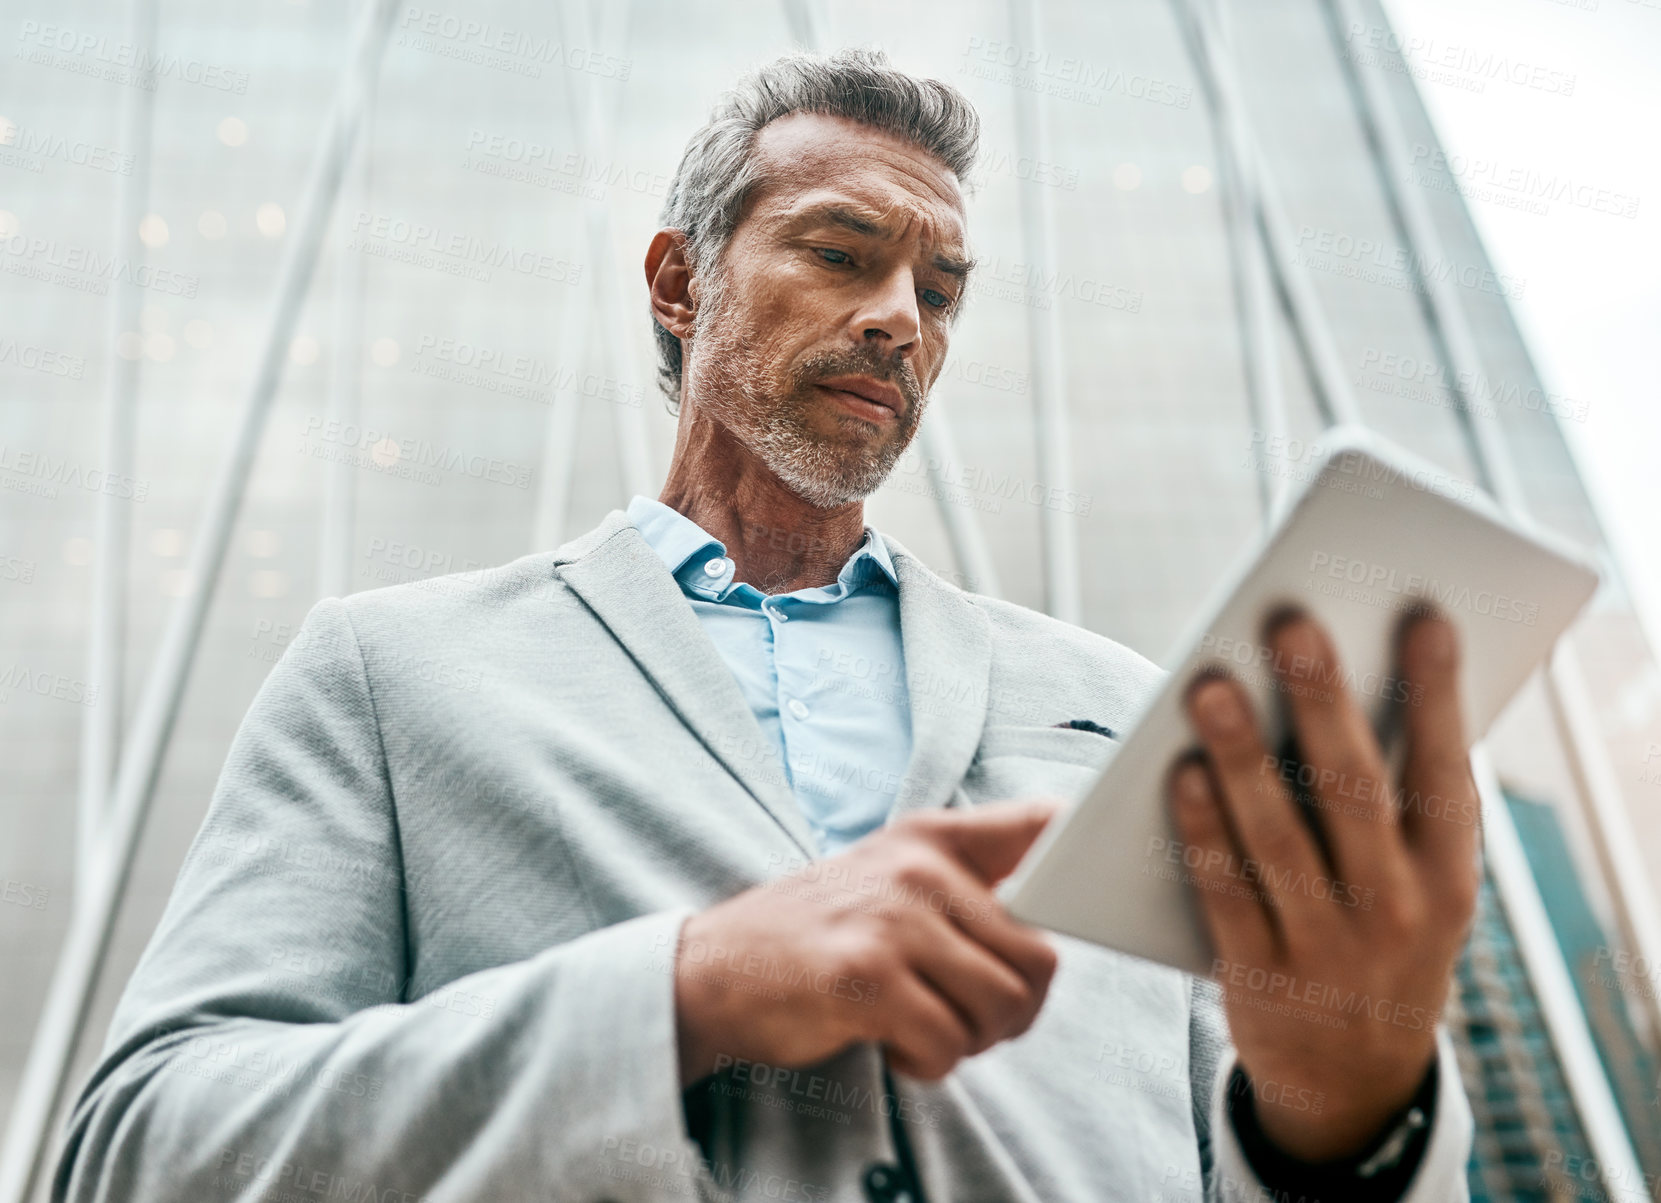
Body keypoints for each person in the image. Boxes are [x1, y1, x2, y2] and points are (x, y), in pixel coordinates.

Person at [54, 47, 1478, 1203]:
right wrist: (680, 990)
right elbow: (139, 1151)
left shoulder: (1127, 709)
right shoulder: (390, 671)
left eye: (937, 290)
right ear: (679, 281)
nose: (898, 322)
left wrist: (1345, 1116)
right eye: (839, 252)